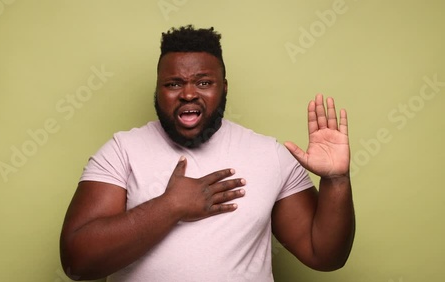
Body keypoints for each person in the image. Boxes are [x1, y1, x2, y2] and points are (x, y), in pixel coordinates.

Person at [59, 25, 355, 282]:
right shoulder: (122, 151)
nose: (188, 94)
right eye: (174, 83)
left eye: (203, 82)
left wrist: (336, 181)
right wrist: (170, 206)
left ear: (223, 88)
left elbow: (324, 255)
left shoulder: (270, 155)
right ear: (158, 90)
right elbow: (77, 262)